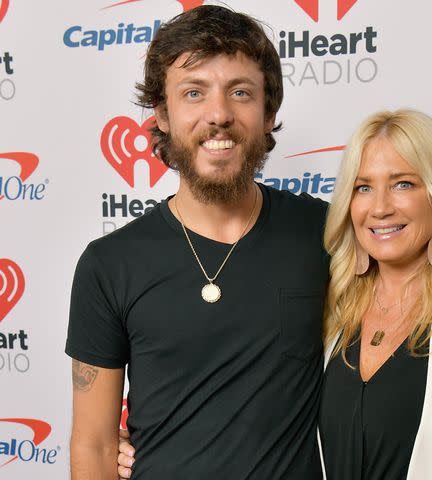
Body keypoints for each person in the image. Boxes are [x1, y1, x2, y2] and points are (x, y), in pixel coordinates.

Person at [117, 110, 432, 479]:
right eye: (364, 187)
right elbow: (245, 387)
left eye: (404, 183)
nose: (380, 207)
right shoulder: (331, 303)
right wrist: (144, 442)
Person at [66, 5, 329, 479]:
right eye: (194, 93)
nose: (219, 115)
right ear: (163, 114)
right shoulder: (109, 264)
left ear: (268, 113)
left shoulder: (324, 233)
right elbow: (93, 444)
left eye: (241, 93)